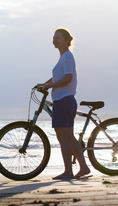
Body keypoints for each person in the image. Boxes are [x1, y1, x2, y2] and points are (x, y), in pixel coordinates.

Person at [35, 28, 91, 180]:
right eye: (54, 37)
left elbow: (68, 78)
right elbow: (57, 77)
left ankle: (68, 172)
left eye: (58, 38)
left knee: (63, 138)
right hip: (66, 101)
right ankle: (84, 167)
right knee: (69, 137)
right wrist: (44, 84)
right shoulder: (63, 57)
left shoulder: (66, 56)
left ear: (67, 40)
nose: (55, 40)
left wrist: (50, 87)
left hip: (63, 101)